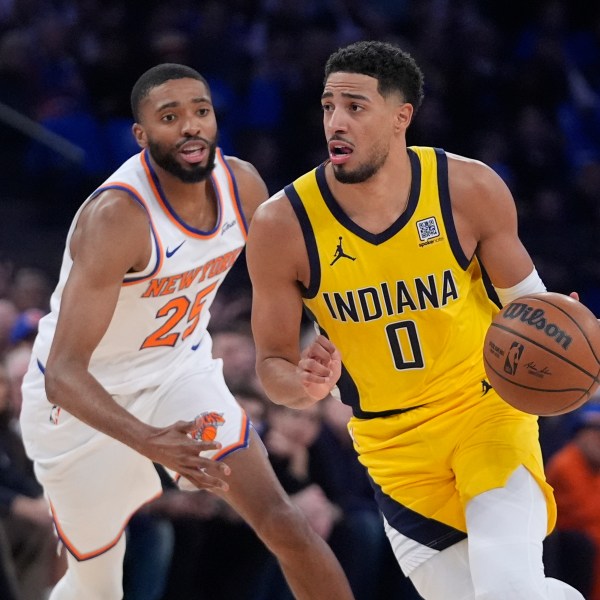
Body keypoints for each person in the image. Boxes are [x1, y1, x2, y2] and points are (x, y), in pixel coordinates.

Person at [245, 40, 586, 600]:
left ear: (401, 116)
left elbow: (530, 304)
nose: (336, 120)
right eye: (329, 105)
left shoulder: (467, 188)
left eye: (356, 106)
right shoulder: (282, 224)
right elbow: (272, 364)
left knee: (508, 589)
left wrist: (564, 327)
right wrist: (303, 385)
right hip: (391, 446)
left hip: (485, 415)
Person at [18, 63, 354, 600]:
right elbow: (62, 373)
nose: (191, 126)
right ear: (142, 133)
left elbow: (297, 285)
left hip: (178, 372)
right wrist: (150, 441)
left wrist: (309, 359)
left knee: (285, 522)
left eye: (201, 111)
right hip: (80, 400)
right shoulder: (118, 217)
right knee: (97, 587)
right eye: (170, 117)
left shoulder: (243, 186)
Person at [545, 401, 600, 599]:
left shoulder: (594, 467)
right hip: (567, 548)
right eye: (594, 431)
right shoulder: (566, 464)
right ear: (580, 433)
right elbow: (587, 514)